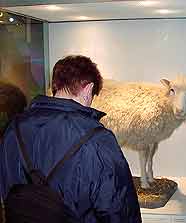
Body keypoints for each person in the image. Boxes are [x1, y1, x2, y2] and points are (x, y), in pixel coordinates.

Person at [0, 55, 142, 223]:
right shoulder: (97, 140)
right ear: (89, 89)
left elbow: (6, 190)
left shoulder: (13, 129)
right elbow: (120, 209)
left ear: (56, 85)